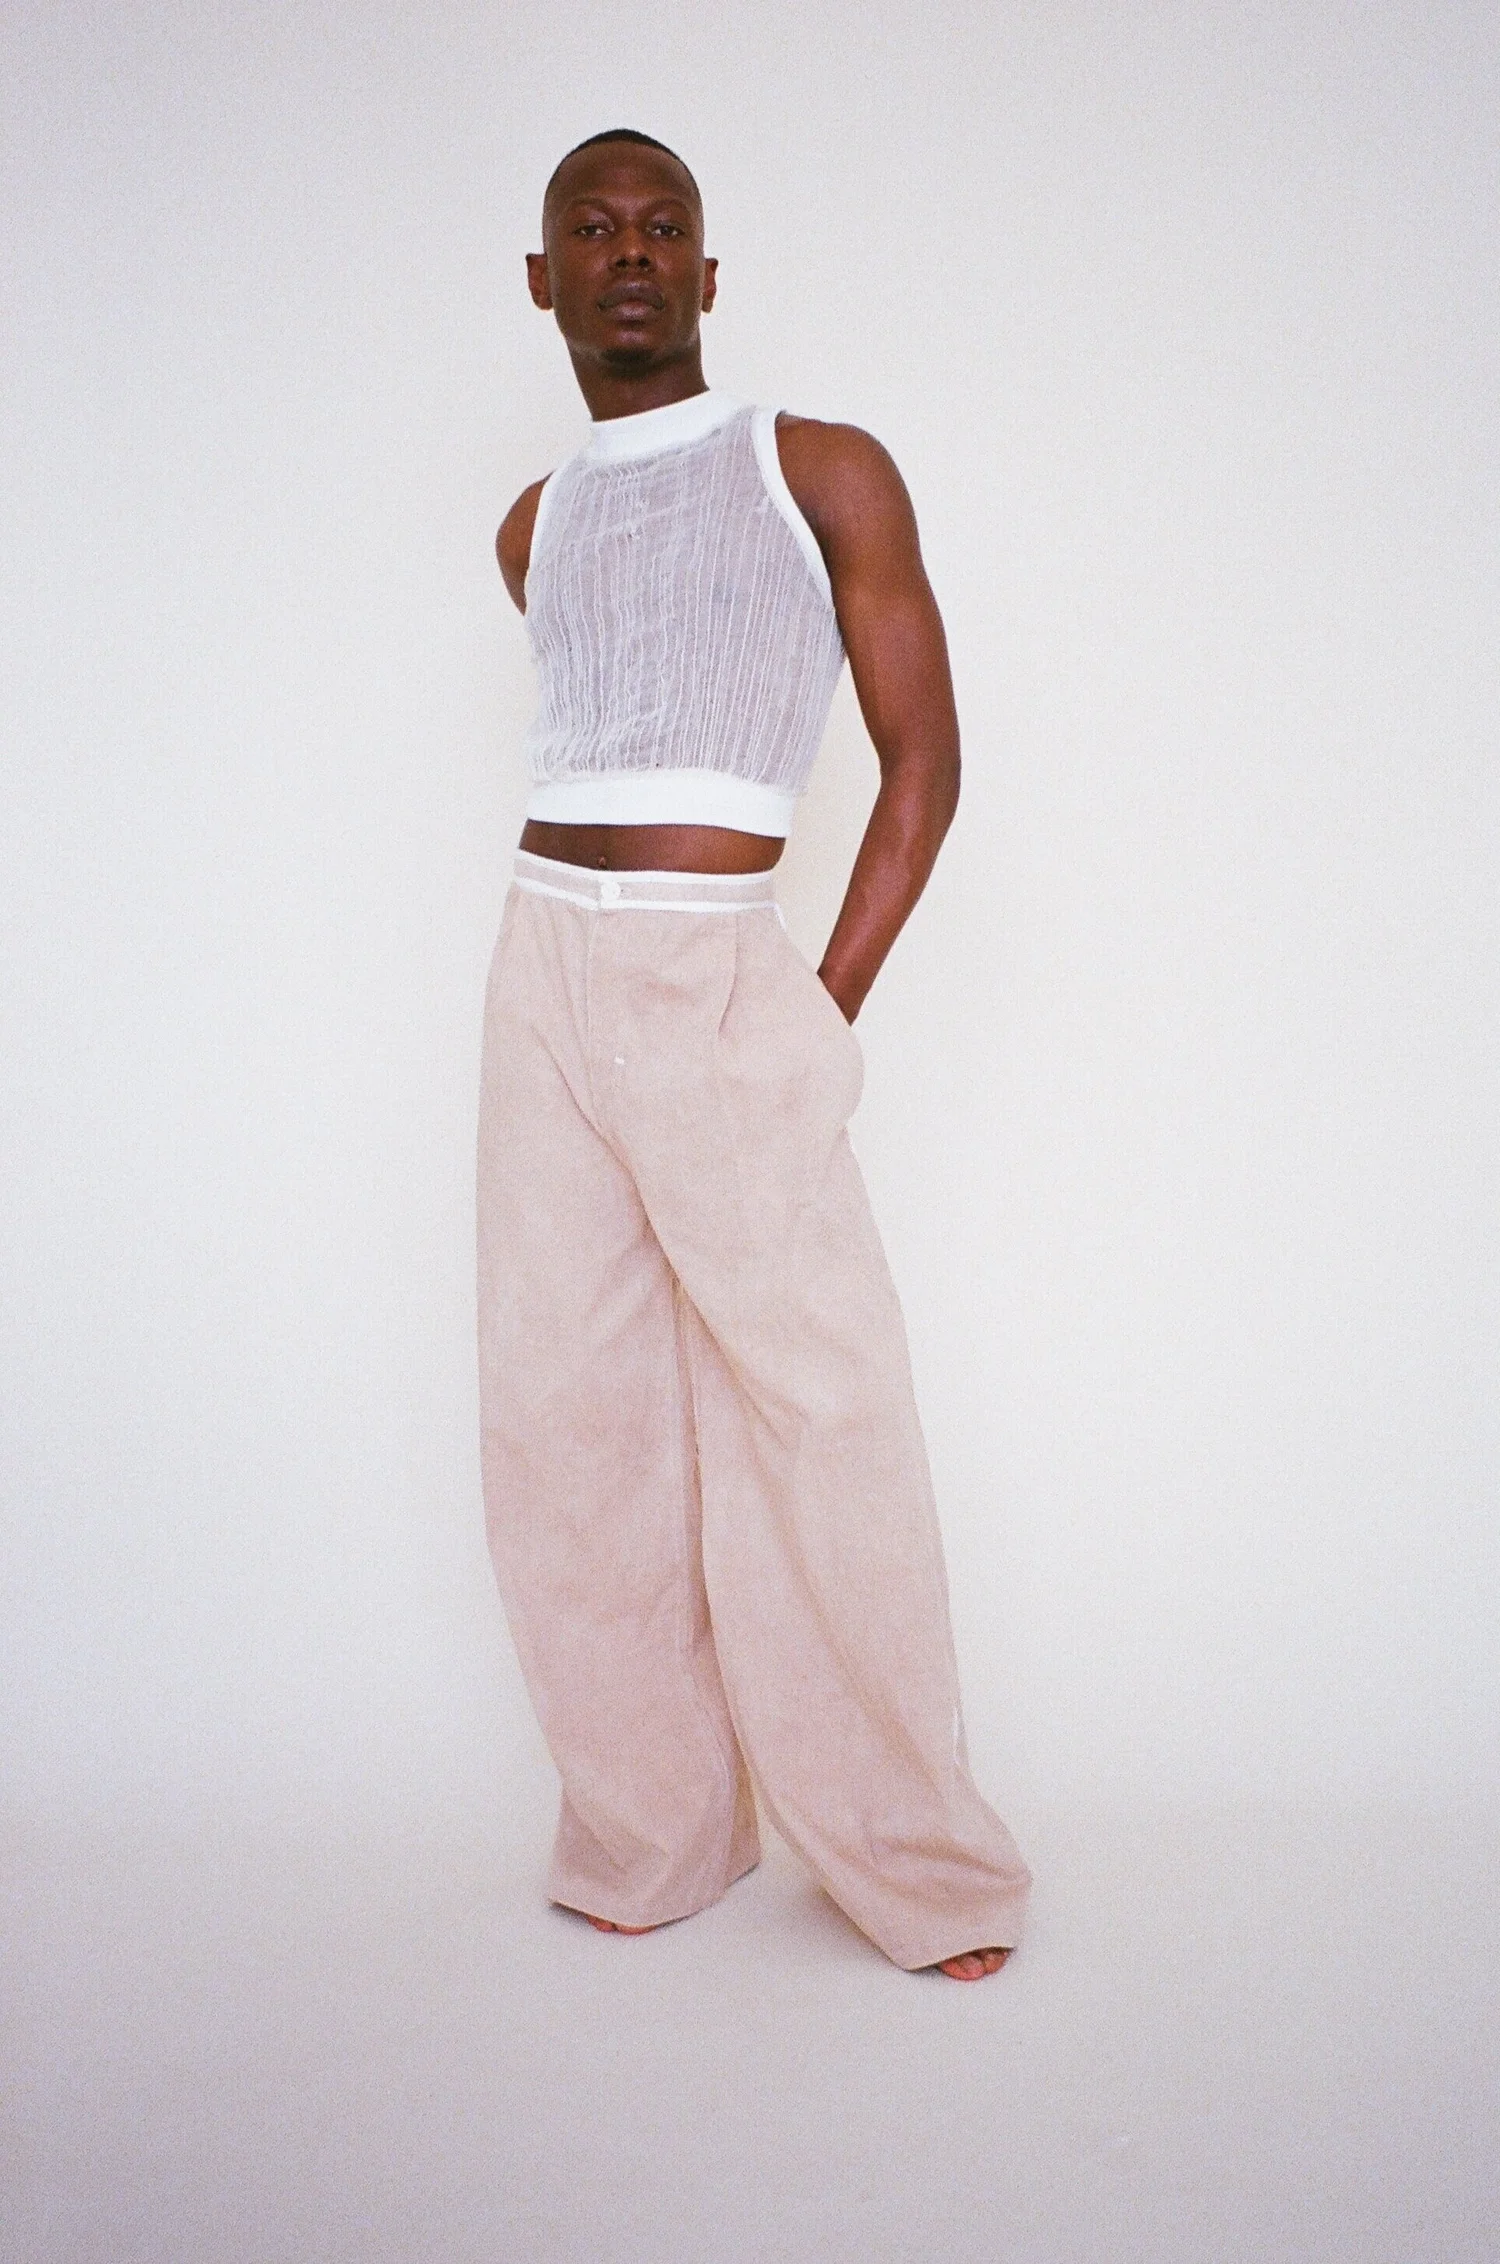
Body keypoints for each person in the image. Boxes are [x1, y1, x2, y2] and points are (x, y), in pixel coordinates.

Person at [478, 127, 1030, 1981]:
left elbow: (924, 761)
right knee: (568, 1416)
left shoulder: (816, 468)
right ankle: (656, 1833)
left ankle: (915, 1861)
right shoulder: (534, 525)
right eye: (593, 228)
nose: (629, 252)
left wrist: (817, 1003)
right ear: (543, 279)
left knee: (821, 1413)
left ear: (708, 275)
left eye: (665, 227)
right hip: (539, 966)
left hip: (718, 969)